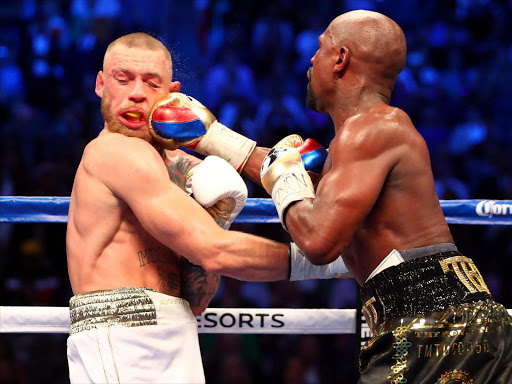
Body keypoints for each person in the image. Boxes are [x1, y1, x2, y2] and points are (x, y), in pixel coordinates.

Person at [150, 11, 512, 383]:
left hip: (433, 322)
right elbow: (292, 177)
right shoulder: (363, 141)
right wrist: (212, 137)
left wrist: (288, 176)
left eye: (320, 48)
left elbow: (319, 240)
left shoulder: (372, 128)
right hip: (439, 318)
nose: (310, 58)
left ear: (340, 59)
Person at [66, 32, 349, 384]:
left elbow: (197, 297)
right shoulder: (116, 152)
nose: (137, 92)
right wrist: (331, 263)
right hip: (124, 335)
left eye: (152, 83)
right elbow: (215, 251)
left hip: (171, 324)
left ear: (173, 94)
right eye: (123, 79)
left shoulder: (169, 163)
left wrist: (222, 152)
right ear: (100, 84)